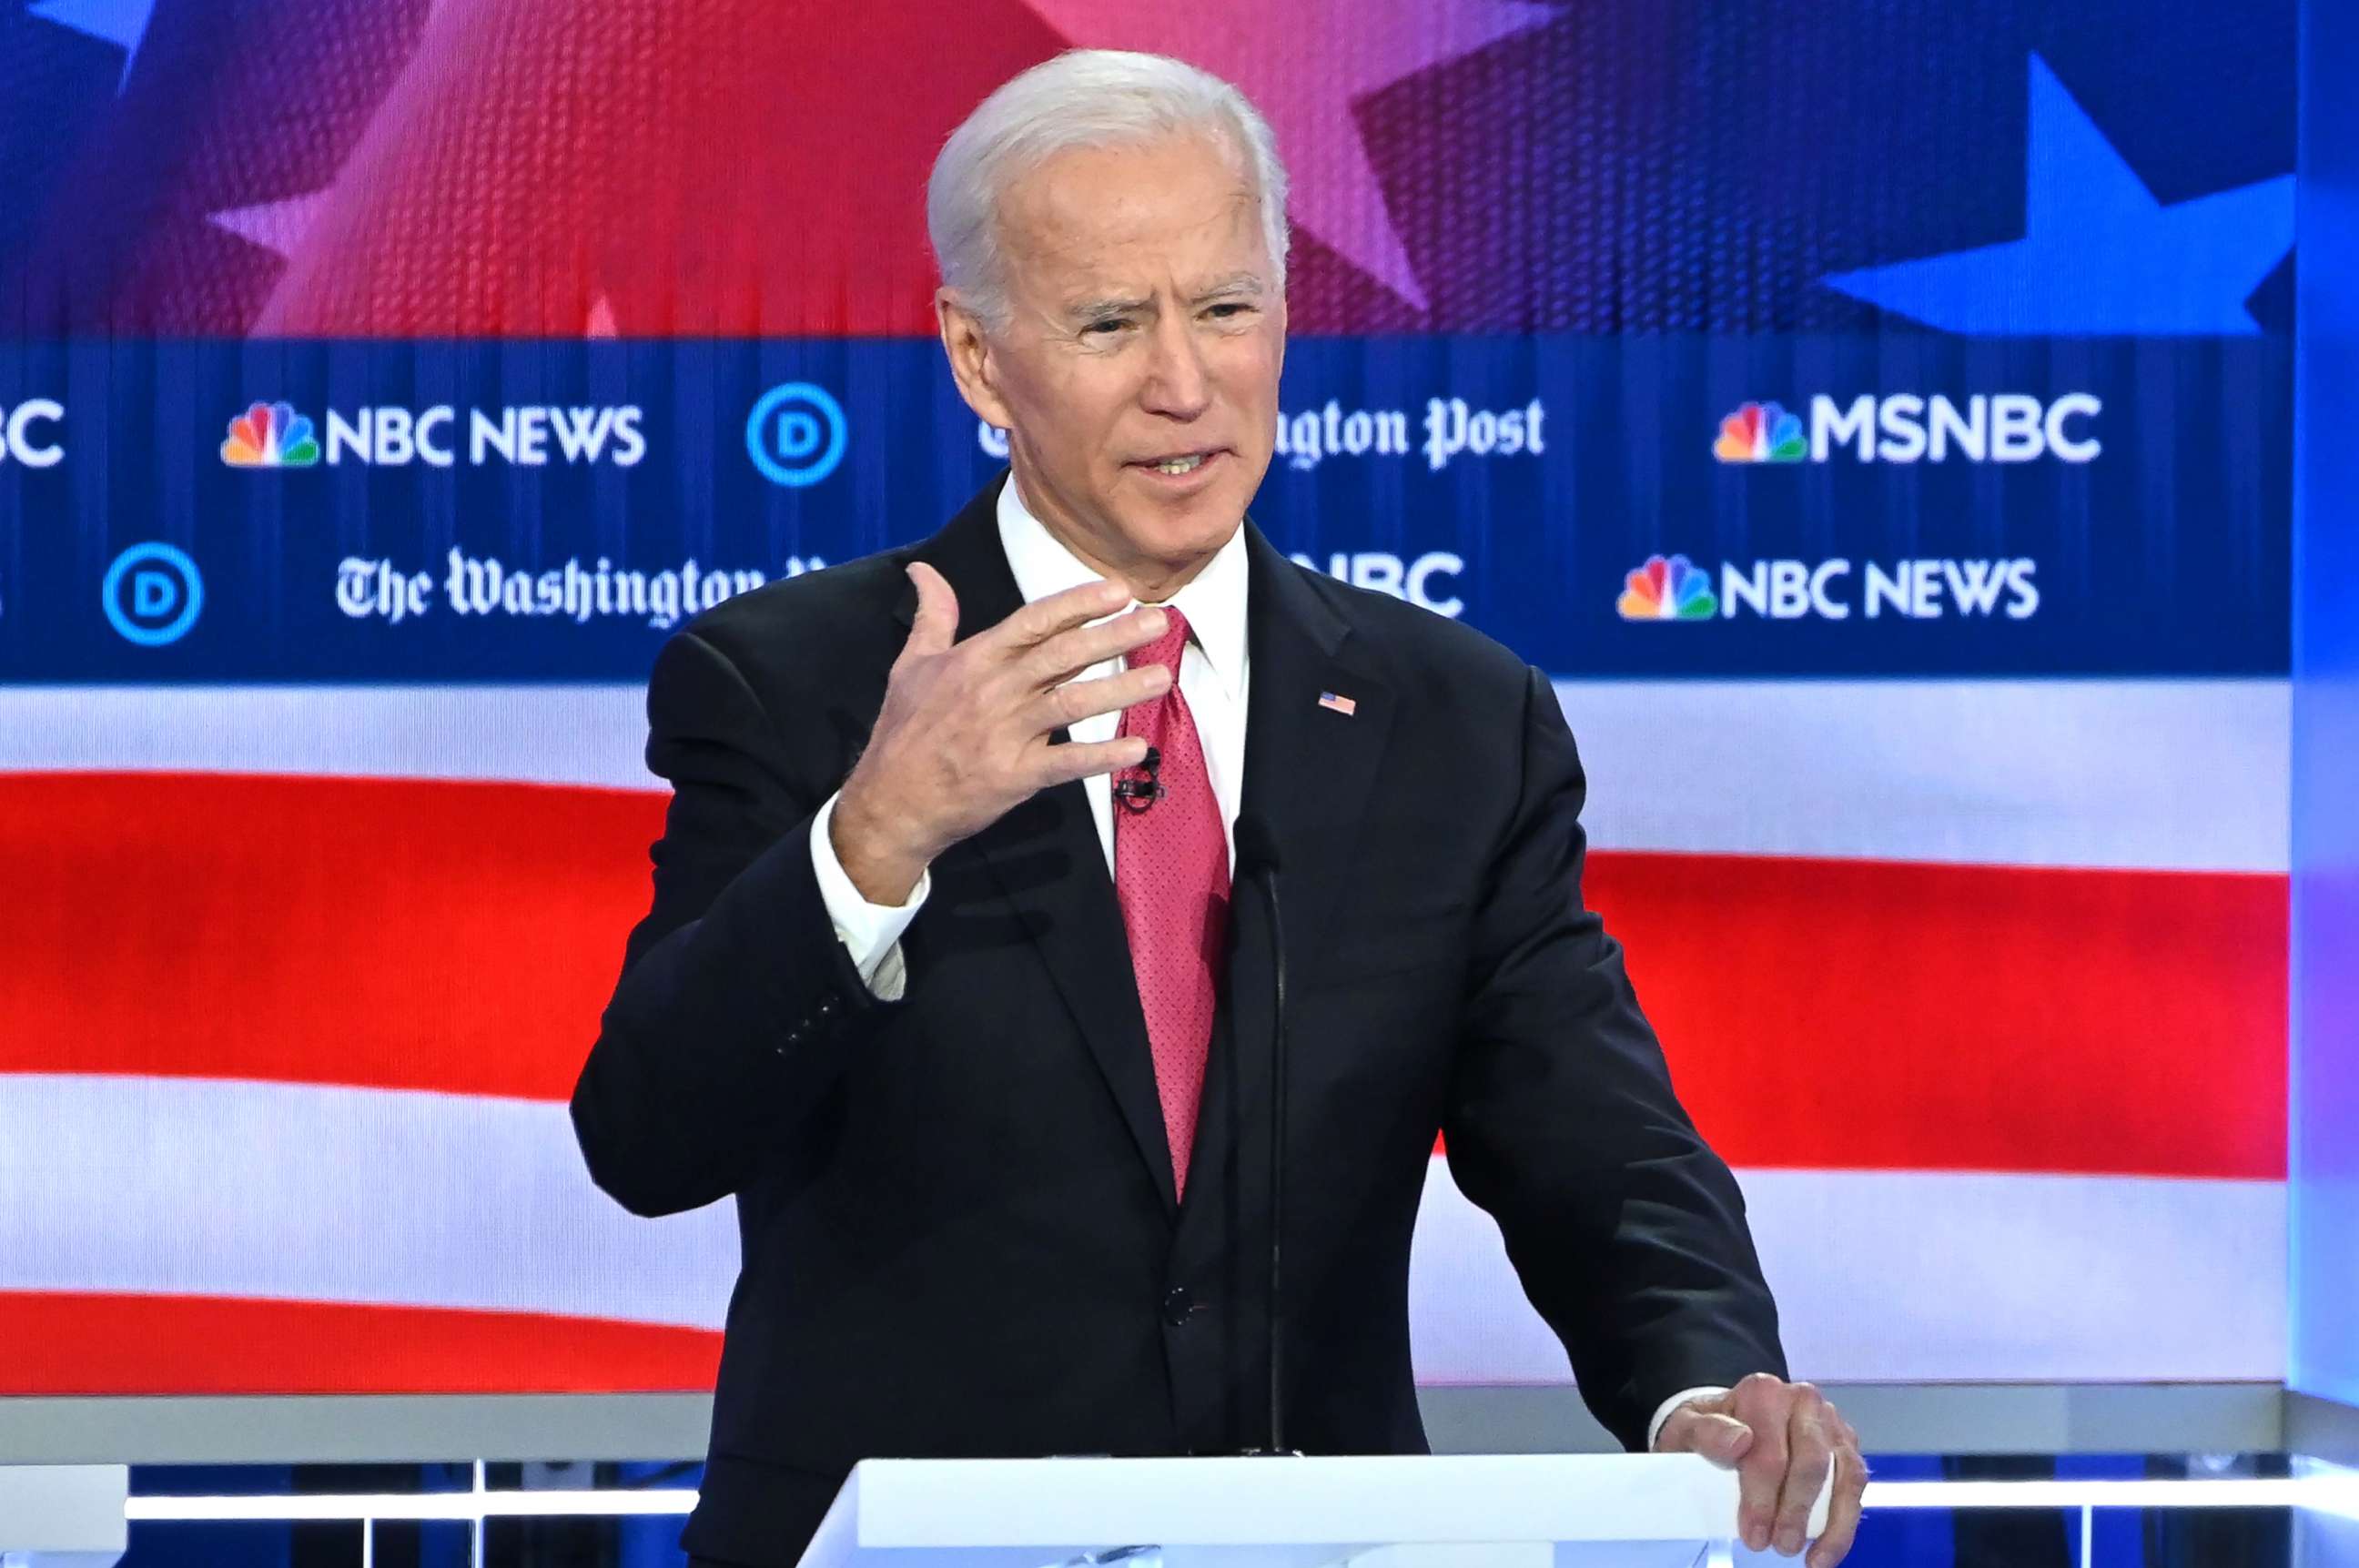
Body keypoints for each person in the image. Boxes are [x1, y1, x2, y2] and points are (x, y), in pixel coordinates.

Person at [571, 48, 1866, 1568]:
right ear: (981, 359)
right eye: (1110, 322)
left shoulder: (1453, 717)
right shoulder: (799, 683)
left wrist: (1703, 1386)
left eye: (1228, 307)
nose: (1183, 383)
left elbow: (1595, 1143)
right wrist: (874, 838)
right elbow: (647, 1139)